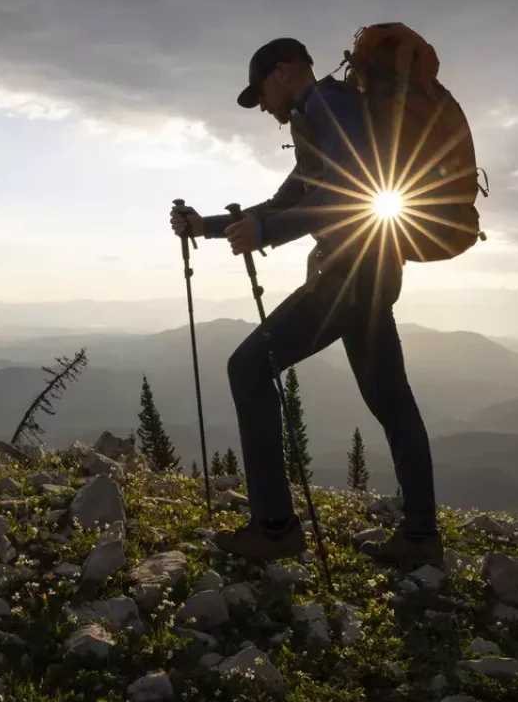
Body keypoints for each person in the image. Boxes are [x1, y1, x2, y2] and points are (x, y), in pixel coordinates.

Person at [170, 36, 444, 568]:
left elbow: (345, 196)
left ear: (282, 72)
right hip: (372, 273)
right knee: (392, 401)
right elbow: (289, 199)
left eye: (261, 95)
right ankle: (420, 537)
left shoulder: (326, 107)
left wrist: (267, 229)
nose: (264, 108)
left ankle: (275, 527)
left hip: (346, 277)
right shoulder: (331, 112)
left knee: (248, 367)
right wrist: (209, 226)